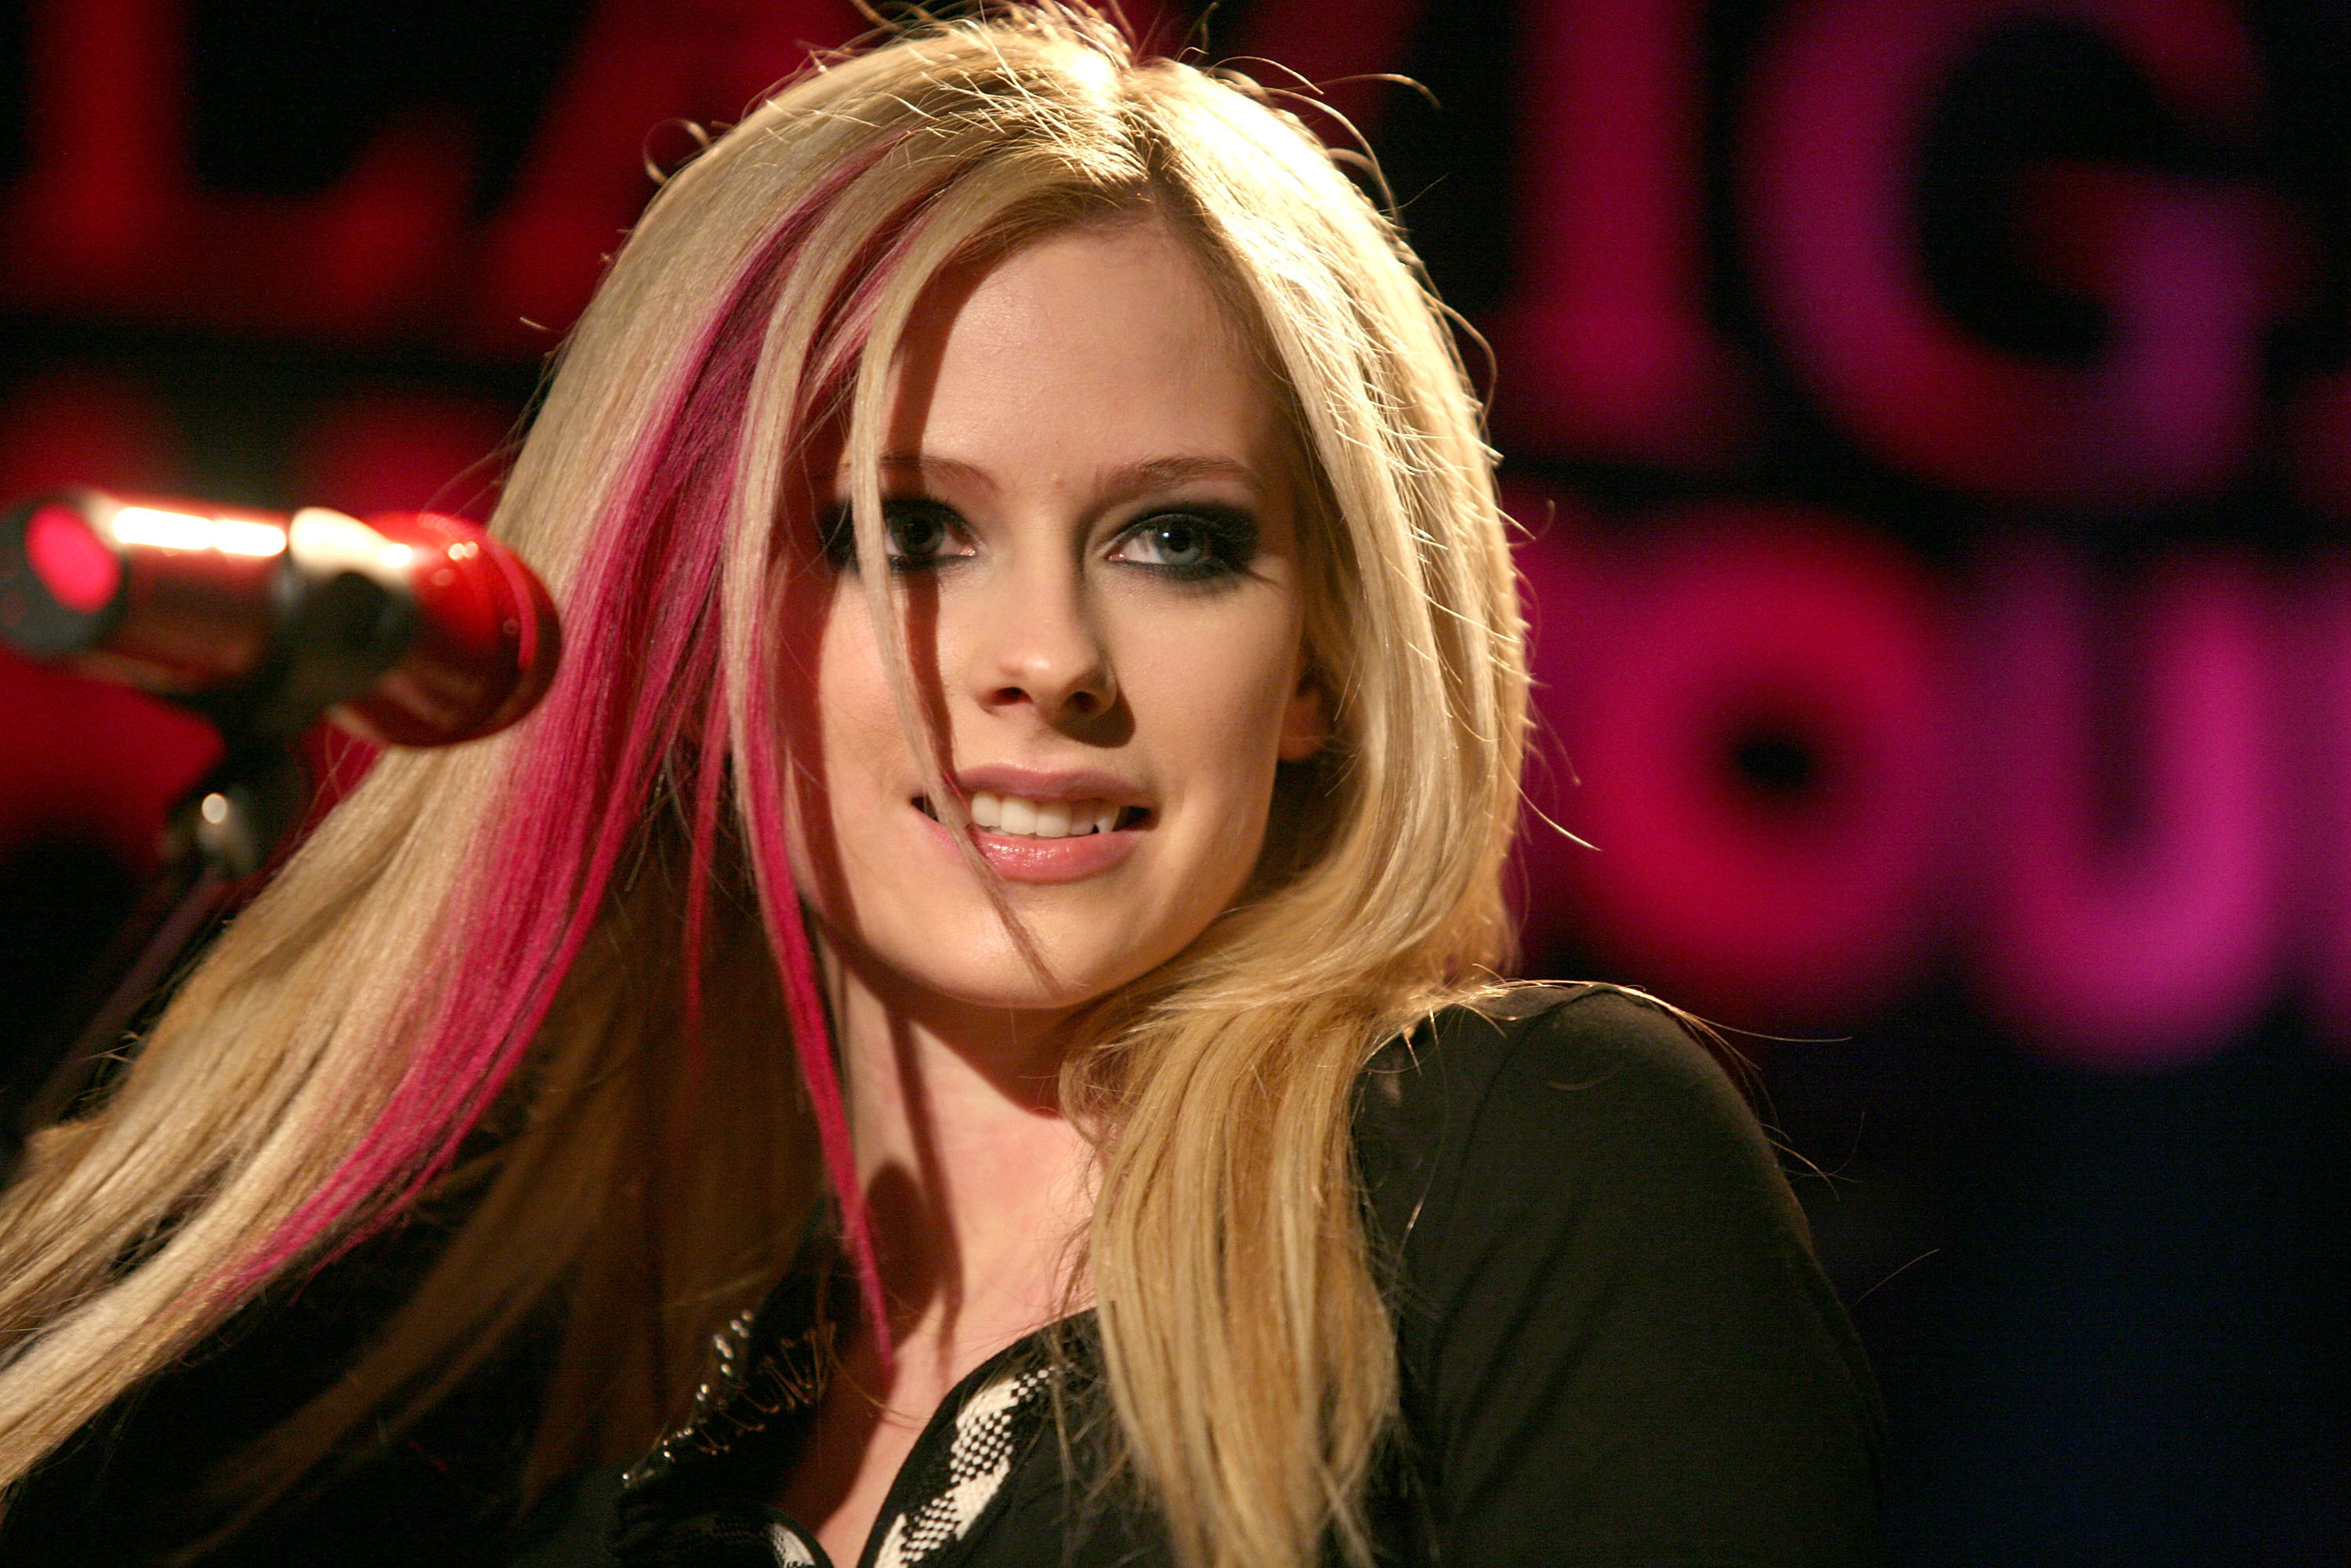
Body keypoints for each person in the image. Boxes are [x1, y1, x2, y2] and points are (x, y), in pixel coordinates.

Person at [0, 6, 1884, 1565]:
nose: (1047, 656)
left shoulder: (1517, 1172)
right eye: (904, 531)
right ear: (699, 629)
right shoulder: (606, 1474)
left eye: (1176, 539)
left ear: (1318, 662)